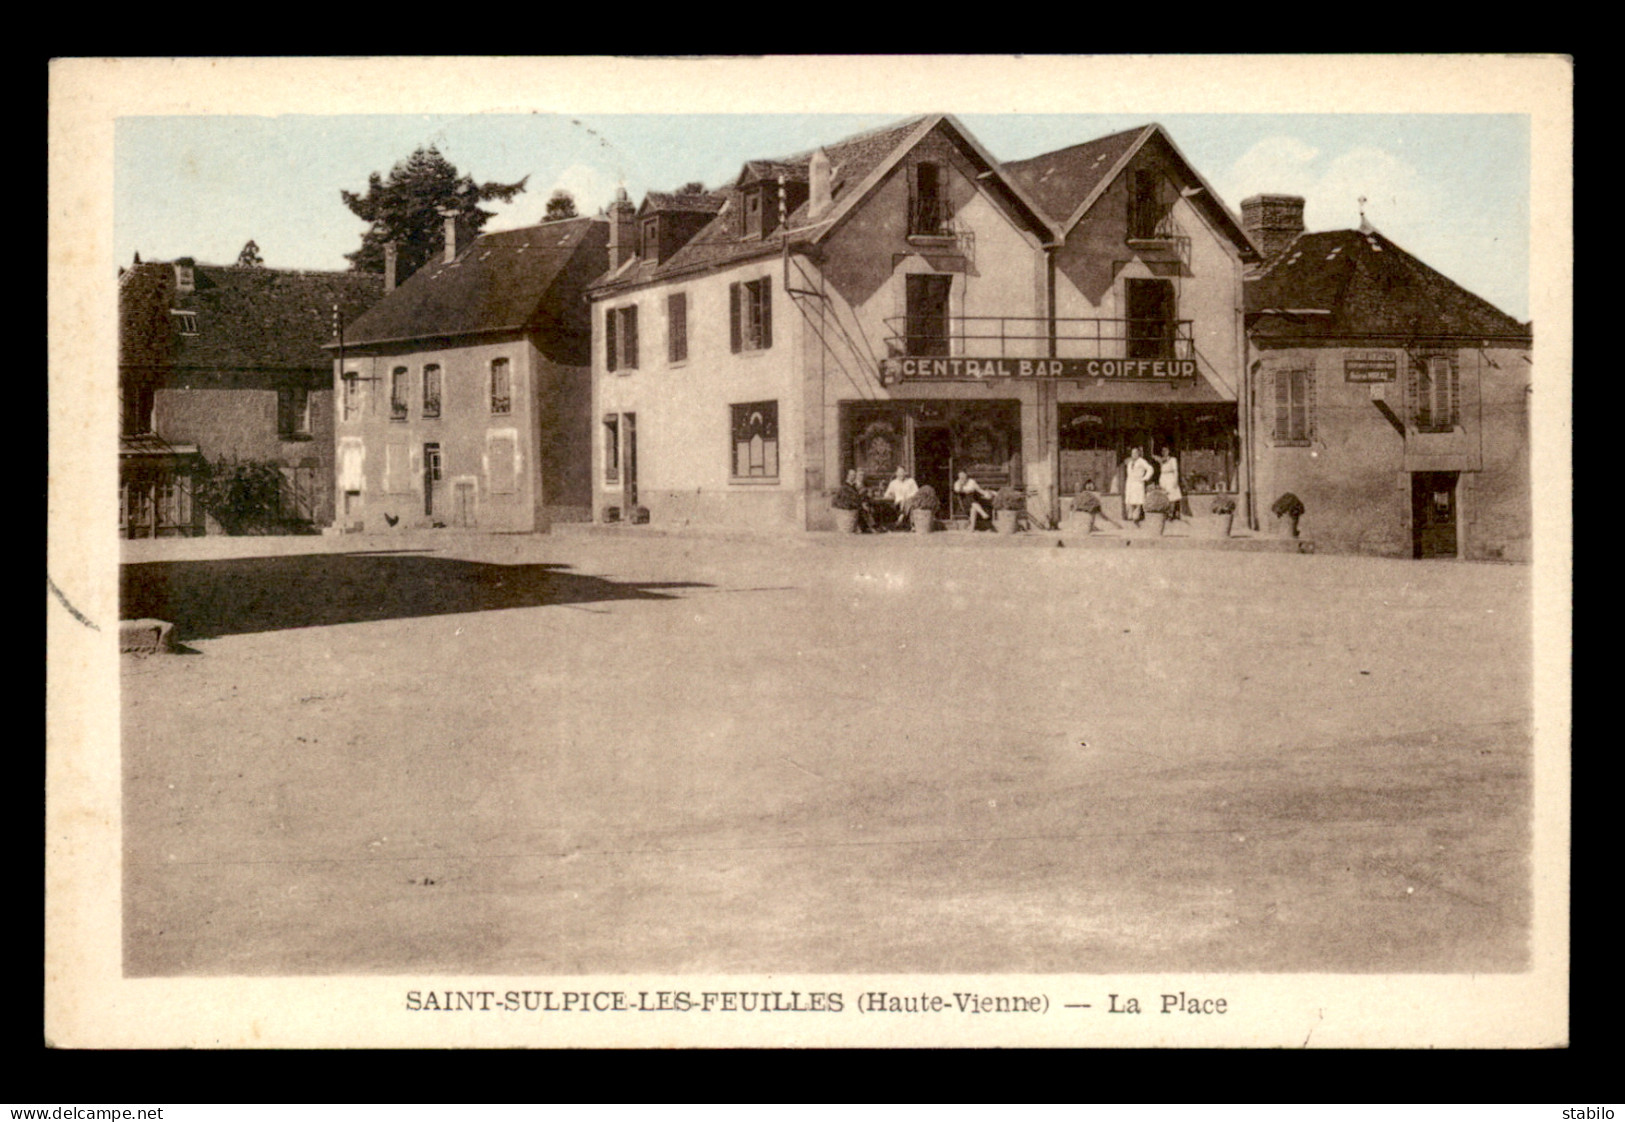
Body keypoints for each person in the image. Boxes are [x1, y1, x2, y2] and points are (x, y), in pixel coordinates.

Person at [1124, 446, 1154, 523]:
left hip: (1138, 483)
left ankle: (1136, 516)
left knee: (1138, 500)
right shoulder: (1130, 462)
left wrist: (1145, 478)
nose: (1133, 454)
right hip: (1130, 483)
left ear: (1138, 454)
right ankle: (1130, 516)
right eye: (1132, 453)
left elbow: (1150, 469)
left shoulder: (1141, 461)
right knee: (1130, 500)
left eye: (1135, 453)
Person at [1155, 446, 1183, 520]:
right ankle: (1166, 513)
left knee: (1172, 496)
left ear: (1168, 451)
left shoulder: (1173, 460)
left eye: (1166, 451)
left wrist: (1175, 480)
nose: (1164, 452)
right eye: (1163, 451)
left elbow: (1175, 470)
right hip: (1163, 477)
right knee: (1165, 496)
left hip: (1170, 477)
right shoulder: (1161, 460)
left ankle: (1172, 513)